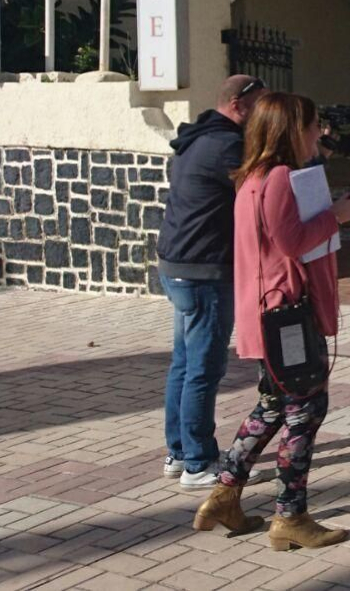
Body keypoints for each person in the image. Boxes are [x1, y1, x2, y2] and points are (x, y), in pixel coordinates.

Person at [193, 93, 350, 549]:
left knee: (273, 406)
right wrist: (337, 216)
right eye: (312, 126)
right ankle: (290, 516)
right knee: (306, 410)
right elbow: (292, 242)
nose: (318, 134)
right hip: (286, 316)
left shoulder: (253, 177)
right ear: (292, 129)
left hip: (268, 313)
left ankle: (225, 493)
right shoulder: (279, 178)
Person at [157, 74, 268, 488]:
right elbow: (263, 190)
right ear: (238, 105)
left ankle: (179, 451)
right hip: (203, 272)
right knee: (203, 369)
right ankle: (199, 464)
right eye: (260, 107)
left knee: (184, 365)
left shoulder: (199, 137)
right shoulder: (226, 147)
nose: (263, 117)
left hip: (179, 266)